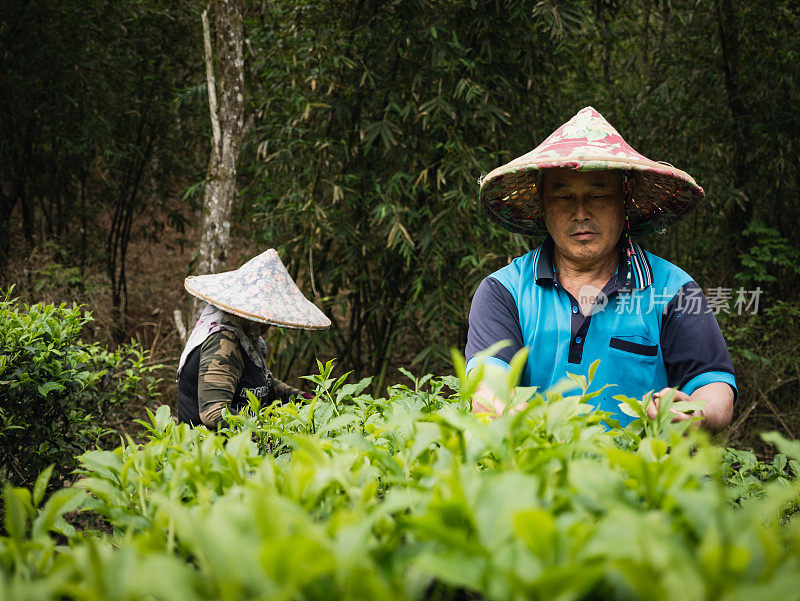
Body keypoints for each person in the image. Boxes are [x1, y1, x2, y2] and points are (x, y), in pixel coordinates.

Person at [467, 107, 736, 430]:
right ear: (543, 204)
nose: (581, 212)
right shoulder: (503, 291)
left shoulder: (672, 290)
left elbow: (714, 385)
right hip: (534, 471)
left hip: (645, 474)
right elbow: (487, 382)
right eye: (564, 196)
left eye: (598, 194)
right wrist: (503, 411)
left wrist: (697, 411)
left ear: (626, 197)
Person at [177, 249, 331, 428]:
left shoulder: (247, 339)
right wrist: (264, 430)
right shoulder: (223, 343)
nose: (268, 326)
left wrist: (303, 398)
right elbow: (213, 413)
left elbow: (264, 385)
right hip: (212, 450)